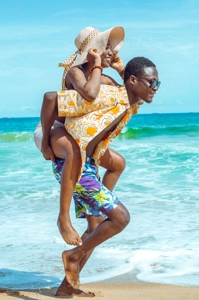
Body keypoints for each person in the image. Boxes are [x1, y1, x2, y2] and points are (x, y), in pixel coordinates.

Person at [51, 56, 160, 292]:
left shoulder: (130, 102)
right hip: (75, 166)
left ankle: (66, 286)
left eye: (157, 84)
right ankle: (72, 255)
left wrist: (122, 67)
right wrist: (47, 145)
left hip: (89, 164)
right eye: (152, 83)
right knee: (120, 218)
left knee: (96, 228)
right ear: (133, 81)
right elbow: (52, 100)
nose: (155, 89)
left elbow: (130, 85)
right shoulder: (106, 95)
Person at [34, 26, 127, 248]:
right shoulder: (75, 72)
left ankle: (94, 205)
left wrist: (122, 71)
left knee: (118, 164)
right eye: (106, 49)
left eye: (111, 50)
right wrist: (46, 143)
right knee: (74, 152)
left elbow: (129, 97)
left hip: (72, 131)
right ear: (93, 51)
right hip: (51, 127)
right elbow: (89, 93)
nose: (111, 53)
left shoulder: (102, 77)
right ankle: (63, 219)